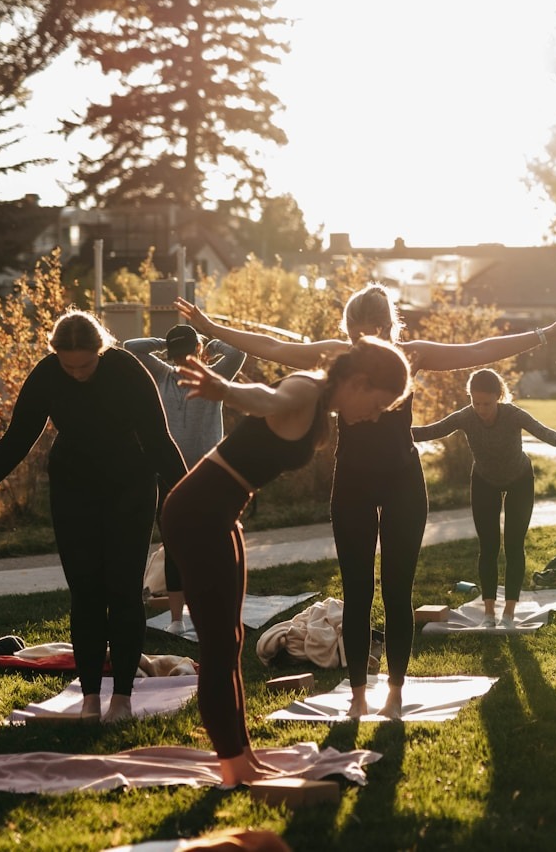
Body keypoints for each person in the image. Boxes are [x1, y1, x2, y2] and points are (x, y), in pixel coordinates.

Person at [175, 292, 556, 718]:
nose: (366, 345)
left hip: (403, 483)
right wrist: (210, 328)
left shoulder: (411, 355)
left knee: (396, 590)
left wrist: (545, 334)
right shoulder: (336, 357)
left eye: (373, 335)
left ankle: (394, 693)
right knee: (356, 591)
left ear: (390, 328)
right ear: (349, 330)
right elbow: (278, 349)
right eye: (358, 336)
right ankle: (357, 695)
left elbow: (479, 351)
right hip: (352, 481)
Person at [160, 336, 411, 785]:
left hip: (220, 514)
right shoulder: (308, 390)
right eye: (377, 403)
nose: (375, 415)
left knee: (231, 641)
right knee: (218, 647)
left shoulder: (322, 405)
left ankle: (243, 757)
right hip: (196, 513)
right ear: (359, 381)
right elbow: (267, 398)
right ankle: (234, 767)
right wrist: (226, 391)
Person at [0, 310, 187, 723]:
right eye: (69, 365)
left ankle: (122, 697)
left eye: (86, 364)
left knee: (122, 590)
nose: (78, 373)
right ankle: (89, 698)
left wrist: (195, 496)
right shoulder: (47, 374)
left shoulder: (127, 370)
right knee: (85, 593)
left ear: (102, 350)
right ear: (56, 356)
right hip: (73, 489)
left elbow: (158, 440)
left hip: (129, 487)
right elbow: (17, 439)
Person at [412, 368, 556, 627]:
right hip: (484, 481)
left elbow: (543, 432)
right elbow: (433, 430)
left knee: (513, 544)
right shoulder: (467, 417)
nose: (481, 409)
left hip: (520, 480)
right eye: (476, 403)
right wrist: (394, 431)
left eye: (487, 403)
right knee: (488, 547)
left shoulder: (513, 415)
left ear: (499, 396)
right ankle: (489, 613)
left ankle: (509, 612)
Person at [125, 324, 247, 634]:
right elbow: (130, 346)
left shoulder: (200, 378)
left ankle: (198, 613)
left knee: (197, 542)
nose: (180, 361)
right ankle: (184, 618)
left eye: (182, 353)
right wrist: (187, 343)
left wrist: (194, 343)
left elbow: (238, 352)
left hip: (201, 474)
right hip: (178, 474)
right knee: (187, 542)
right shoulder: (174, 375)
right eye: (178, 355)